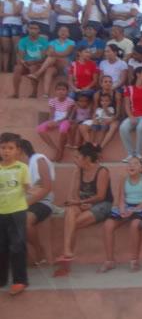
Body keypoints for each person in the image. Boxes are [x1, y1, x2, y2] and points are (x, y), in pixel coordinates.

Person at [54, 143, 113, 276]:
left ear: (86, 158)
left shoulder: (102, 171)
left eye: (77, 157)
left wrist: (82, 202)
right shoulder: (77, 170)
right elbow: (71, 195)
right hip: (83, 204)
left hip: (102, 205)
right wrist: (77, 204)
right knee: (70, 211)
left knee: (71, 224)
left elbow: (101, 196)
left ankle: (66, 258)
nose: (74, 160)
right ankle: (67, 252)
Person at [98, 157, 142, 273]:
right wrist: (122, 209)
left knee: (134, 225)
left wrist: (133, 210)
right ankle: (109, 261)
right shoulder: (124, 179)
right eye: (129, 164)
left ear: (141, 167)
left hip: (141, 207)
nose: (131, 166)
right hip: (127, 206)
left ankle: (134, 260)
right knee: (108, 225)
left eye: (135, 164)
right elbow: (121, 198)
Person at [0, 133, 30, 295]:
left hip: (17, 212)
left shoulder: (22, 168)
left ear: (18, 150)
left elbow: (26, 188)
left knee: (17, 246)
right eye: (3, 148)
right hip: (0, 213)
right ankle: (2, 278)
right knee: (1, 247)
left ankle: (19, 280)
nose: (6, 151)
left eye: (10, 148)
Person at [18, 140, 54, 268]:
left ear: (20, 150)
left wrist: (25, 204)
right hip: (21, 201)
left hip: (43, 202)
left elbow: (47, 188)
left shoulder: (39, 160)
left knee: (25, 220)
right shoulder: (17, 166)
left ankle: (39, 251)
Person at [27, 25, 75, 98]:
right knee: (49, 70)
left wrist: (55, 53)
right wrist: (55, 54)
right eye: (61, 30)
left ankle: (37, 74)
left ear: (68, 34)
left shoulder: (71, 42)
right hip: (53, 64)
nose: (63, 32)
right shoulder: (52, 42)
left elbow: (66, 53)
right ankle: (46, 94)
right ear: (58, 33)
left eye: (65, 31)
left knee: (52, 57)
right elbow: (48, 53)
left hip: (64, 64)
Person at [119, 67, 142, 162]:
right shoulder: (129, 89)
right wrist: (131, 116)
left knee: (141, 128)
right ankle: (131, 154)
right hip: (134, 115)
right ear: (138, 74)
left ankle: (139, 155)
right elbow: (127, 105)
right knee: (123, 128)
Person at [36, 81, 75, 161]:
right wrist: (51, 121)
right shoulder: (52, 101)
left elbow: (67, 116)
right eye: (59, 89)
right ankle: (55, 149)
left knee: (63, 129)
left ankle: (60, 151)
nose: (61, 91)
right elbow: (52, 113)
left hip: (65, 120)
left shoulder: (70, 101)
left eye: (63, 90)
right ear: (55, 91)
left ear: (67, 91)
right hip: (55, 119)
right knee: (39, 129)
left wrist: (58, 122)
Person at [12, 22, 48, 98]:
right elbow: (21, 56)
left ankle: (34, 92)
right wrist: (23, 62)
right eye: (31, 28)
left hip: (38, 64)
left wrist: (34, 62)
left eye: (35, 28)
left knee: (33, 67)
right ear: (27, 29)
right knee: (17, 68)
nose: (33, 30)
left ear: (39, 30)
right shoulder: (23, 41)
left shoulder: (44, 41)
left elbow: (43, 57)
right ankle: (16, 93)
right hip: (26, 64)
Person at [1, 0, 25, 72]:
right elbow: (0, 13)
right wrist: (11, 14)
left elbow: (17, 12)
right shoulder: (3, 2)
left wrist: (13, 1)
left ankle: (14, 69)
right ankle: (5, 69)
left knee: (16, 49)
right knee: (6, 49)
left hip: (16, 25)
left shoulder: (20, 2)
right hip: (5, 25)